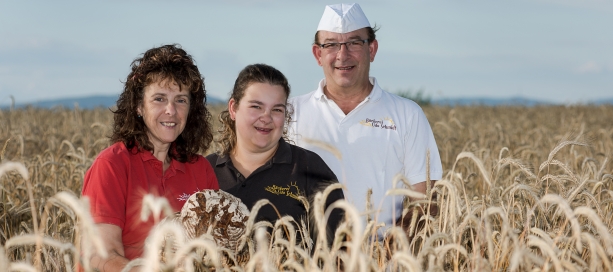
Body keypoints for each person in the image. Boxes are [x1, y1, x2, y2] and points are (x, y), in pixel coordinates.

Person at [288, 3, 443, 232]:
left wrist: (383, 255)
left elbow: (427, 202)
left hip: (385, 263)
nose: (343, 54)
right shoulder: (289, 112)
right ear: (318, 54)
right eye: (331, 44)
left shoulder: (407, 114)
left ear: (372, 49)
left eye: (354, 43)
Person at [81, 44, 219, 271]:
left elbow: (214, 252)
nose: (171, 110)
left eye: (181, 100)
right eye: (159, 99)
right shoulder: (113, 165)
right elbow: (101, 256)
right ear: (138, 106)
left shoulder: (201, 170)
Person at [206, 63, 345, 243]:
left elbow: (338, 253)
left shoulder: (310, 169)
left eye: (277, 109)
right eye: (256, 107)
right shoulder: (205, 169)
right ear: (233, 108)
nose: (266, 117)